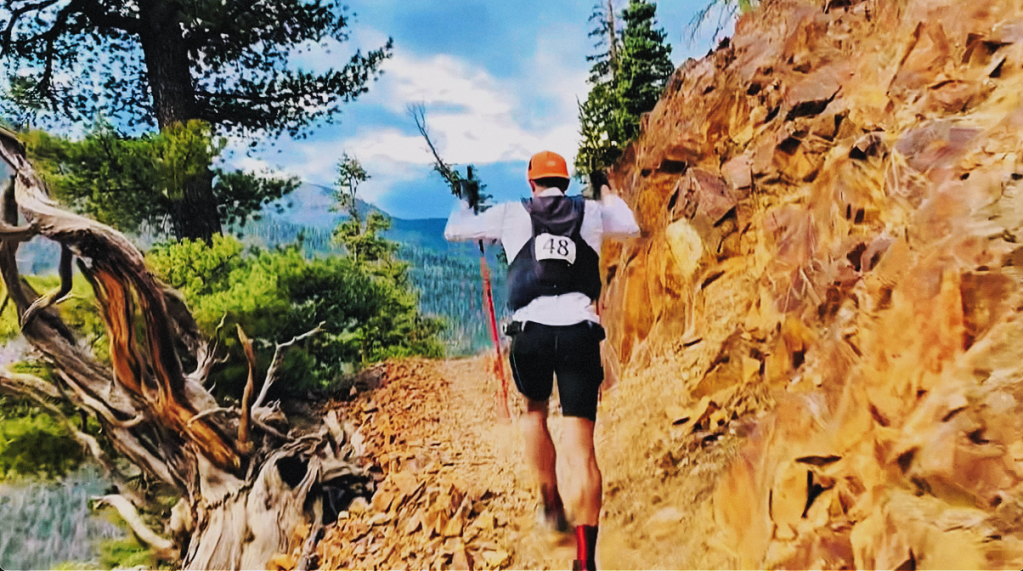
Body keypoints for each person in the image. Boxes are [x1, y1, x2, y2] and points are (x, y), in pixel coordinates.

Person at [444, 150, 639, 571]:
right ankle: (585, 561)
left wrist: (466, 200)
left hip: (530, 332)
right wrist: (604, 189)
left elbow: (454, 230)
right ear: (565, 183)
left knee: (534, 413)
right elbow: (630, 224)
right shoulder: (589, 212)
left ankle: (550, 501)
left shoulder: (512, 213)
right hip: (579, 332)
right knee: (582, 450)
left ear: (532, 183)